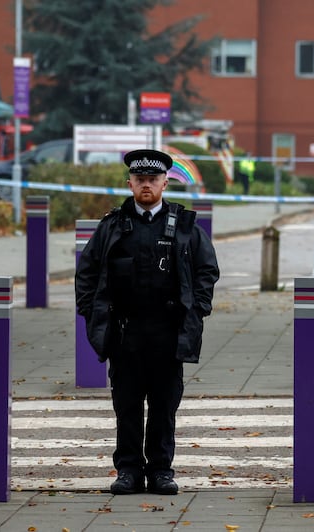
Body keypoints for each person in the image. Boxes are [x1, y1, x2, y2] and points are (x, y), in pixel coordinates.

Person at [75, 148, 220, 495]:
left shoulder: (184, 226)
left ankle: (160, 471)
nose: (146, 185)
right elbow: (88, 271)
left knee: (163, 406)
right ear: (130, 183)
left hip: (168, 332)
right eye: (139, 180)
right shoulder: (112, 226)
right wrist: (90, 311)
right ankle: (128, 470)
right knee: (126, 406)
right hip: (126, 333)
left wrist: (197, 309)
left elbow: (207, 270)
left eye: (152, 180)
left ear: (164, 183)